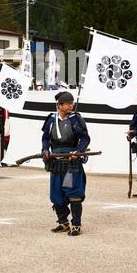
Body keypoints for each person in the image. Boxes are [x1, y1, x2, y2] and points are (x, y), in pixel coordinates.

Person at [42, 91, 90, 236]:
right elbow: (45, 139)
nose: (71, 105)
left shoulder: (76, 119)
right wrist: (45, 150)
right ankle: (63, 223)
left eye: (72, 103)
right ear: (59, 105)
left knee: (74, 194)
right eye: (68, 103)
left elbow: (85, 138)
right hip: (56, 163)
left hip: (71, 164)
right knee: (57, 195)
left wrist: (79, 151)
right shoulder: (51, 120)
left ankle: (76, 225)